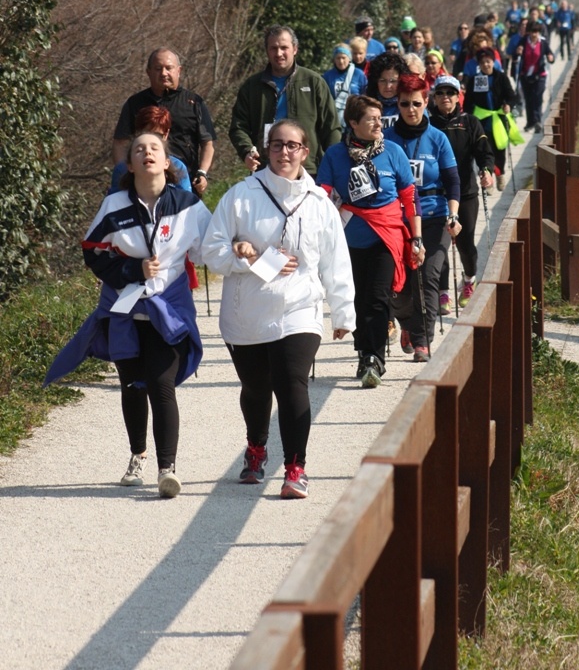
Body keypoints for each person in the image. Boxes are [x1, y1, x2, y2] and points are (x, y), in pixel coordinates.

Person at [44, 132, 212, 498]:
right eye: (139, 149)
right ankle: (138, 455)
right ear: (130, 165)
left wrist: (241, 249)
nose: (147, 153)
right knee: (133, 385)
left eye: (154, 148)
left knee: (162, 384)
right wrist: (133, 269)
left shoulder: (188, 205)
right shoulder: (114, 205)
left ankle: (167, 469)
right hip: (124, 309)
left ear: (167, 162)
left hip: (169, 308)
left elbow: (211, 247)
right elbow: (92, 250)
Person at [202, 120, 354, 500]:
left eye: (292, 146)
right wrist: (247, 260)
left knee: (291, 383)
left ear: (305, 151)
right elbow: (210, 252)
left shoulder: (318, 203)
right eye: (276, 145)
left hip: (299, 307)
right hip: (247, 312)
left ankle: (295, 468)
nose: (284, 152)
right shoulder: (241, 196)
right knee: (256, 388)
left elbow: (336, 261)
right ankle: (256, 447)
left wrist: (343, 313)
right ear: (266, 149)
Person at [316, 95, 424, 388]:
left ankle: (373, 358)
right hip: (347, 240)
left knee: (377, 297)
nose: (379, 124)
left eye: (379, 118)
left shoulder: (393, 152)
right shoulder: (335, 155)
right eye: (371, 119)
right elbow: (321, 195)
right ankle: (364, 351)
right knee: (356, 299)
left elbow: (409, 197)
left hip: (385, 237)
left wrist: (417, 237)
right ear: (353, 123)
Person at [385, 75, 461, 361]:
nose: (411, 109)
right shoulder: (386, 139)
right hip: (398, 220)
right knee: (400, 284)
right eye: (405, 104)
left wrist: (453, 214)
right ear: (397, 104)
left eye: (417, 103)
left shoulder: (438, 138)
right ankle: (407, 323)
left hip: (434, 214)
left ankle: (422, 341)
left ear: (426, 103)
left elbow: (452, 181)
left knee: (428, 276)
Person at [229, 24, 341, 176]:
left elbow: (331, 128)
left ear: (295, 49)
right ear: (267, 51)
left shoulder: (313, 82)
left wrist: (333, 165)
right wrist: (247, 151)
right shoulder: (252, 86)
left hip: (307, 171)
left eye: (284, 47)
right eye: (273, 48)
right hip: (265, 170)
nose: (279, 53)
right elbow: (238, 127)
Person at [113, 48, 216, 196]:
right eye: (158, 68)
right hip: (143, 183)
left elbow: (207, 143)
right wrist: (125, 174)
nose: (163, 73)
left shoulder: (194, 103)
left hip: (185, 181)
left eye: (169, 68)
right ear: (148, 72)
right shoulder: (135, 103)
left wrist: (202, 172)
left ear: (179, 70)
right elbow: (120, 143)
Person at [430, 75, 495, 307]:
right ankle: (443, 291)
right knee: (440, 245)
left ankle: (469, 280)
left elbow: (484, 152)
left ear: (459, 97)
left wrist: (486, 170)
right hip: (436, 193)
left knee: (465, 242)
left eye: (450, 93)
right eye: (440, 93)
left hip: (465, 192)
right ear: (434, 97)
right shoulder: (428, 123)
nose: (445, 97)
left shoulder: (470, 122)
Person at [464, 47, 522, 190]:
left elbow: (512, 96)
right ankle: (487, 178)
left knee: (499, 149)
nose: (486, 64)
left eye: (488, 61)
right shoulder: (475, 80)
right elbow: (468, 102)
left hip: (498, 119)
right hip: (481, 120)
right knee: (484, 150)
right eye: (482, 62)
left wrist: (508, 105)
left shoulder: (501, 77)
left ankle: (499, 173)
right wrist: (468, 118)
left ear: (493, 62)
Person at [109, 105, 192, 194]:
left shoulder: (178, 167)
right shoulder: (122, 169)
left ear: (166, 134)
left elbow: (186, 200)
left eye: (157, 135)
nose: (151, 139)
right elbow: (114, 200)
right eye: (147, 133)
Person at [516, 20, 555, 132]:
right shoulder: (523, 41)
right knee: (528, 99)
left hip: (540, 75)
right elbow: (515, 55)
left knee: (537, 97)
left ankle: (537, 121)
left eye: (537, 32)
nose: (534, 34)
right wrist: (518, 52)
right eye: (532, 31)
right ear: (528, 32)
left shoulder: (543, 43)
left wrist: (550, 58)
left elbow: (550, 54)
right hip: (526, 75)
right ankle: (530, 123)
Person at [322, 44, 367, 128]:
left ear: (349, 58)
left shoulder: (358, 74)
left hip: (355, 117)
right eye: (338, 58)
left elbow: (365, 95)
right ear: (334, 59)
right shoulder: (328, 76)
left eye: (343, 58)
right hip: (335, 118)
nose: (341, 61)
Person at [366, 51, 409, 129]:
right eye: (382, 80)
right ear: (375, 81)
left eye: (393, 81)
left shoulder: (411, 105)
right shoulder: (365, 105)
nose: (388, 86)